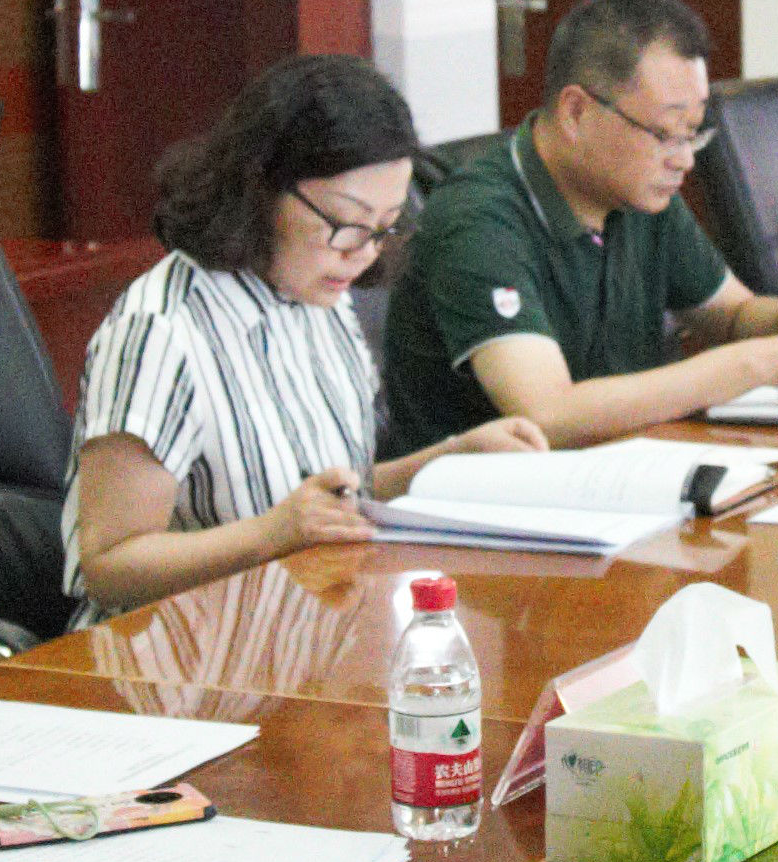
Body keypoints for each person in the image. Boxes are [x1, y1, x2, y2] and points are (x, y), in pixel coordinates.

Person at [67, 55, 551, 617]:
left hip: (307, 627)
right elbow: (109, 566)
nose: (363, 253)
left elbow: (333, 496)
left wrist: (449, 459)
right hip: (180, 652)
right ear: (262, 189)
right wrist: (273, 533)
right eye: (346, 225)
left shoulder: (321, 299)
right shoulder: (161, 332)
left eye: (384, 228)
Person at [378, 0, 778, 451]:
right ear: (576, 112)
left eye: (693, 133)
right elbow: (547, 414)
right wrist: (762, 362)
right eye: (663, 133)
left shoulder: (640, 194)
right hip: (482, 516)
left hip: (625, 480)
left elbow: (731, 317)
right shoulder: (478, 220)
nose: (684, 159)